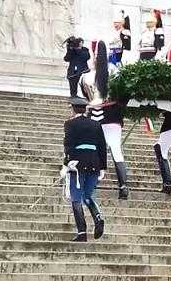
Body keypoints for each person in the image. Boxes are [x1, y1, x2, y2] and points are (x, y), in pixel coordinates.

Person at [79, 41, 129, 199]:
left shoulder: (85, 77)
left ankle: (93, 182)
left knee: (95, 150)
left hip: (94, 115)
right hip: (112, 115)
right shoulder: (114, 71)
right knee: (115, 149)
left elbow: (82, 99)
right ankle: (123, 186)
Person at [61, 97, 107, 242]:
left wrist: (66, 163)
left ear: (73, 109)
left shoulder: (70, 124)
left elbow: (68, 145)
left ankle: (82, 232)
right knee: (87, 196)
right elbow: (102, 146)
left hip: (77, 164)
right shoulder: (95, 124)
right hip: (94, 162)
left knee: (76, 198)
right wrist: (102, 167)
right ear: (85, 109)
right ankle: (98, 217)